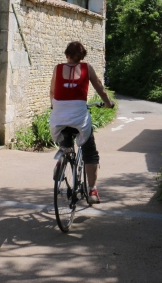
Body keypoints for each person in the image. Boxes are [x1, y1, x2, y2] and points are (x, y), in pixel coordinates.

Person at [50, 41, 114, 204]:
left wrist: (55, 106)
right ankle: (92, 191)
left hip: (59, 117)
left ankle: (63, 156)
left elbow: (52, 92)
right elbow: (100, 87)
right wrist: (108, 102)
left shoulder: (57, 69)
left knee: (66, 142)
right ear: (82, 57)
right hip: (79, 117)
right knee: (90, 152)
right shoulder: (87, 68)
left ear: (66, 55)